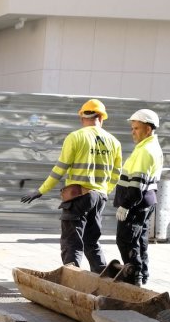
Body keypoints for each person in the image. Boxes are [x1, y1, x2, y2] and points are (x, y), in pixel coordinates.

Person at [20, 99, 122, 272]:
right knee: (92, 242)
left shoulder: (76, 137)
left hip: (78, 198)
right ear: (101, 118)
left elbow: (60, 169)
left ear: (82, 118)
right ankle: (104, 280)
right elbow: (116, 174)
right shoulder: (114, 142)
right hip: (99, 198)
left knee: (72, 242)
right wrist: (104, 192)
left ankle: (71, 279)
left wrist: (41, 190)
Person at [113, 109, 164, 286]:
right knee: (139, 240)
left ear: (148, 129)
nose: (132, 132)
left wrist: (125, 205)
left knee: (126, 240)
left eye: (136, 128)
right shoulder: (150, 147)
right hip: (145, 202)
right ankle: (142, 275)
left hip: (135, 204)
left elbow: (136, 185)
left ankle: (133, 278)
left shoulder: (145, 151)